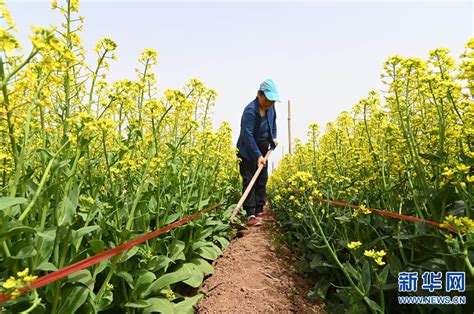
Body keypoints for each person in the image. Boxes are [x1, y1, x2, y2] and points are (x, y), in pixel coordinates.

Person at [236, 79, 279, 226]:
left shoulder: (271, 108)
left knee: (262, 178)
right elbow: (247, 135)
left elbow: (273, 123)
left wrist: (273, 138)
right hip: (248, 150)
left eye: (272, 101)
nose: (270, 104)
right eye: (268, 100)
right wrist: (257, 155)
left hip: (262, 147)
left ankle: (260, 209)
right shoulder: (250, 111)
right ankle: (250, 214)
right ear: (259, 95)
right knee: (250, 180)